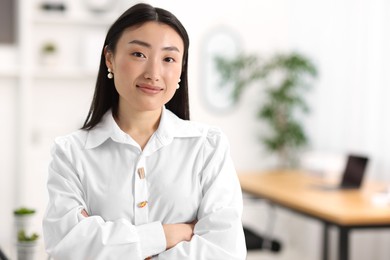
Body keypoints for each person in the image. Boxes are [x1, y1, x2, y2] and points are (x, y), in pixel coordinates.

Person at [42, 3, 246, 259]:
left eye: (169, 59)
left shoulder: (208, 146)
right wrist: (167, 235)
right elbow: (66, 249)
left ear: (181, 69)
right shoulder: (71, 153)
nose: (153, 73)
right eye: (139, 54)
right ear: (110, 59)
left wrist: (108, 245)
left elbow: (225, 250)